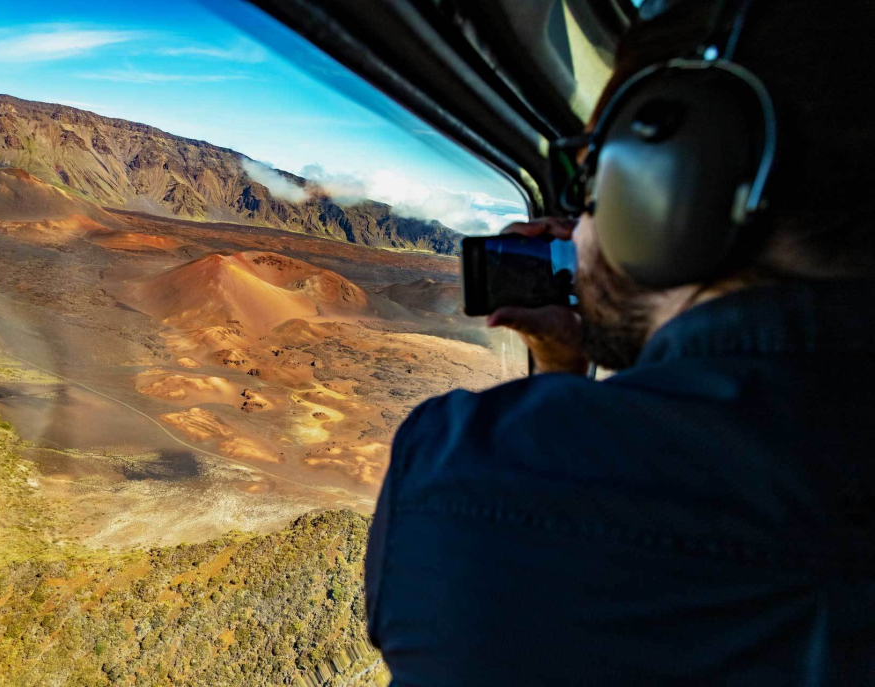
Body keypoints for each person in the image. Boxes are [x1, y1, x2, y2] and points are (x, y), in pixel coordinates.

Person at [364, 0, 875, 685]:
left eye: (590, 182)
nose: (574, 227)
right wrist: (562, 363)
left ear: (671, 175)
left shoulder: (465, 480)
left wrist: (555, 384)